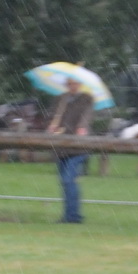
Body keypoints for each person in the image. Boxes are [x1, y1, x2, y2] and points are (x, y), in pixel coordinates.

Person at [47, 74, 93, 223]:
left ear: (80, 84)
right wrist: (52, 125)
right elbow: (52, 117)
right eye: (70, 83)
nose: (72, 86)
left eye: (75, 83)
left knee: (68, 180)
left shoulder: (86, 98)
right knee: (65, 181)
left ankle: (73, 216)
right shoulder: (60, 99)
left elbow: (87, 116)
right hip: (61, 147)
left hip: (78, 148)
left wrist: (82, 127)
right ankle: (69, 215)